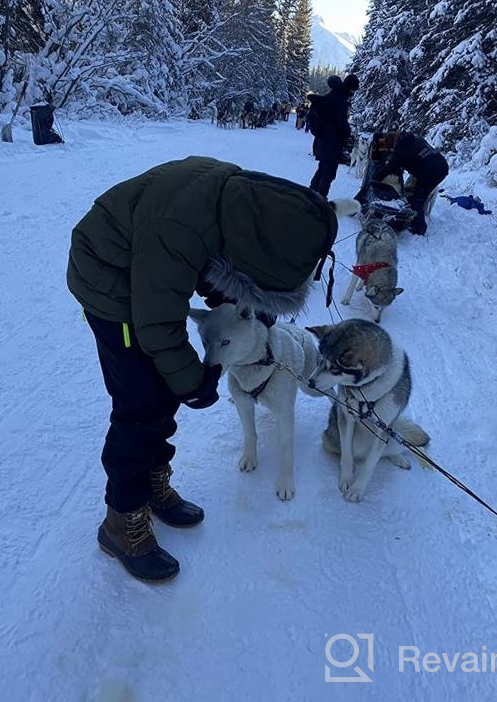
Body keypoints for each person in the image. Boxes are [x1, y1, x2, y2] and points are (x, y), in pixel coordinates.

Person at [67, 156, 338, 582]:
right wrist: (193, 383)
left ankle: (152, 483)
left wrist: (244, 313)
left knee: (161, 391)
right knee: (140, 404)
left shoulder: (238, 202)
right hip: (110, 282)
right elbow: (157, 319)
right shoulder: (179, 226)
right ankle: (122, 521)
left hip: (149, 268)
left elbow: (212, 263)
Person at [374, 130, 449, 235]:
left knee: (417, 198)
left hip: (431, 172)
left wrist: (375, 179)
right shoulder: (414, 138)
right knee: (419, 193)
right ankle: (417, 215)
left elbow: (390, 167)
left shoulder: (402, 150)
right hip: (441, 164)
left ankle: (419, 228)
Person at [308, 74, 359, 198]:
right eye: (354, 90)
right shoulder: (340, 99)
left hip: (325, 140)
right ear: (351, 88)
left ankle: (310, 195)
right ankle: (320, 200)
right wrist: (347, 133)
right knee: (328, 173)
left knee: (323, 169)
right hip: (332, 143)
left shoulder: (335, 95)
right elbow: (340, 123)